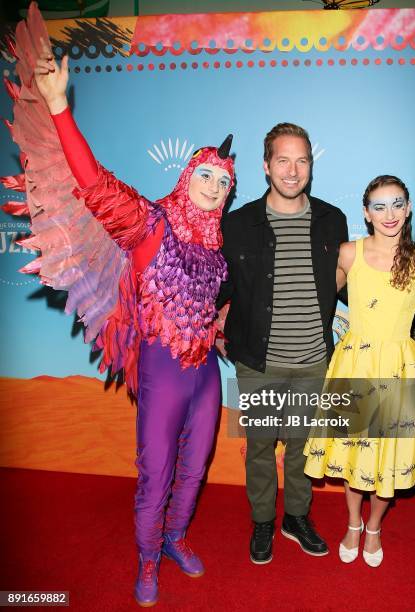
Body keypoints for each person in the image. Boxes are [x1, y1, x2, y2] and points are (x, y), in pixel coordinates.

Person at [4, 4, 234, 606]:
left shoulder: (216, 249)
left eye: (225, 183)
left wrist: (219, 329)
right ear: (189, 177)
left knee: (196, 468)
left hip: (205, 371)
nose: (215, 187)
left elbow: (209, 303)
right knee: (156, 472)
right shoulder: (148, 225)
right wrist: (58, 107)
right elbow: (96, 184)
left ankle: (178, 537)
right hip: (160, 368)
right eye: (207, 175)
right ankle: (149, 559)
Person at [217, 123, 349, 564]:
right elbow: (219, 286)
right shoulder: (237, 224)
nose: (293, 171)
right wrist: (212, 322)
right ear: (266, 165)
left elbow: (351, 281)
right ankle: (262, 522)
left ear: (311, 164)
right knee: (258, 447)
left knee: (300, 445)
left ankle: (295, 517)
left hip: (314, 360)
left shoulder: (333, 220)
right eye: (283, 160)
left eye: (302, 160)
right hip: (260, 361)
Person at [304, 175, 415, 567]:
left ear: (409, 207)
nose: (389, 214)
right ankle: (352, 522)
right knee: (354, 454)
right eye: (379, 206)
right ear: (366, 213)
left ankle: (375, 525)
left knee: (389, 458)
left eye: (397, 204)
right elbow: (320, 302)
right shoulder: (348, 254)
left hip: (401, 368)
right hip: (355, 364)